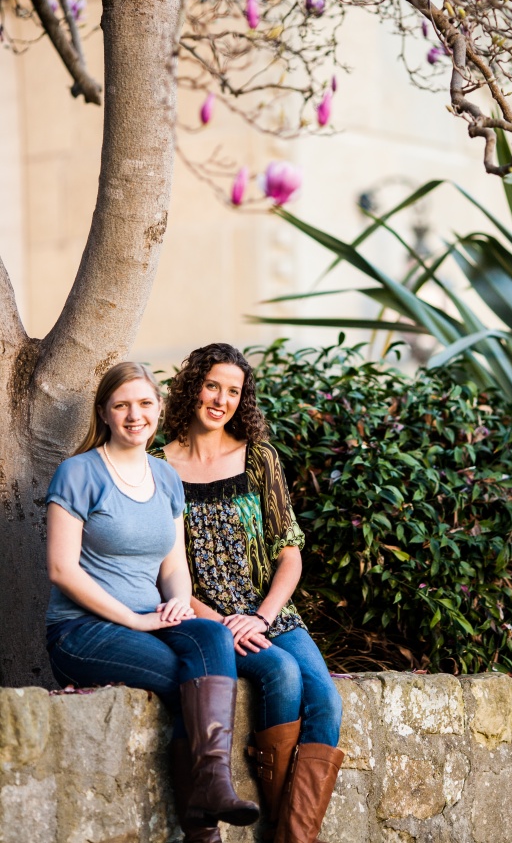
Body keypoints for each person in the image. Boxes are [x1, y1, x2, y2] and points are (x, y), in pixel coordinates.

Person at [45, 361, 259, 843]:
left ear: (159, 409)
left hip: (151, 619)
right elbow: (61, 569)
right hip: (83, 631)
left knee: (210, 632)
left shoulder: (165, 477)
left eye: (144, 403)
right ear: (104, 413)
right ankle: (205, 825)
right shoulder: (78, 472)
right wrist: (134, 621)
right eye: (121, 405)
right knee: (189, 683)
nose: (134, 414)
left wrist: (179, 602)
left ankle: (212, 788)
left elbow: (173, 565)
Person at [154, 343, 344, 843]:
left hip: (270, 613)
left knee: (327, 702)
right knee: (280, 674)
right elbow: (160, 566)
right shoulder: (157, 465)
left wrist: (260, 616)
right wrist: (217, 621)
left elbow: (290, 553)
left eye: (233, 391)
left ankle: (291, 837)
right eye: (212, 385)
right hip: (204, 619)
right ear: (192, 386)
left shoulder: (259, 459)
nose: (221, 400)